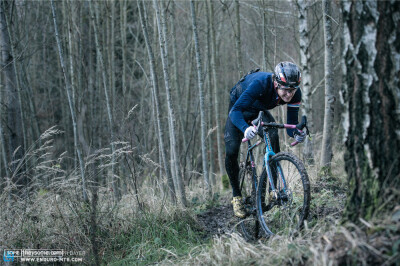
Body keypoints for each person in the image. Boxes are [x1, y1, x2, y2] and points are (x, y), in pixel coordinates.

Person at [224, 62, 307, 218]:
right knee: (232, 150)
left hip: (257, 110)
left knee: (273, 136)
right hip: (238, 109)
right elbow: (235, 112)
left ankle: (272, 190)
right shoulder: (260, 85)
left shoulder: (296, 93)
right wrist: (245, 128)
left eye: (292, 90)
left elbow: (290, 126)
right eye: (286, 90)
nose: (289, 95)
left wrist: (296, 133)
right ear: (276, 83)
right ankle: (236, 197)